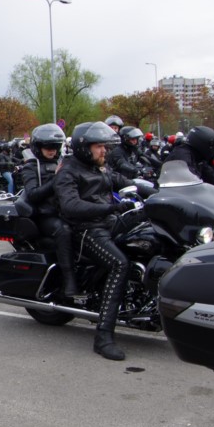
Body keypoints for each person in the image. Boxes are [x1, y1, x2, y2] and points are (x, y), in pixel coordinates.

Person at [54, 122, 137, 361]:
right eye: (99, 146)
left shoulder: (98, 167)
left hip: (108, 221)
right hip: (86, 229)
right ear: (84, 147)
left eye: (105, 146)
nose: (104, 151)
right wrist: (110, 207)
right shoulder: (68, 171)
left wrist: (157, 190)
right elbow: (70, 205)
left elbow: (120, 179)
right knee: (119, 263)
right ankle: (103, 337)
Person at [19, 123, 79, 297]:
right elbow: (33, 194)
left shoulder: (64, 162)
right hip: (46, 215)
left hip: (68, 211)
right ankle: (69, 280)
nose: (52, 150)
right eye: (48, 147)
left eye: (55, 146)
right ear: (38, 147)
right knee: (64, 230)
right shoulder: (32, 167)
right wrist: (56, 179)